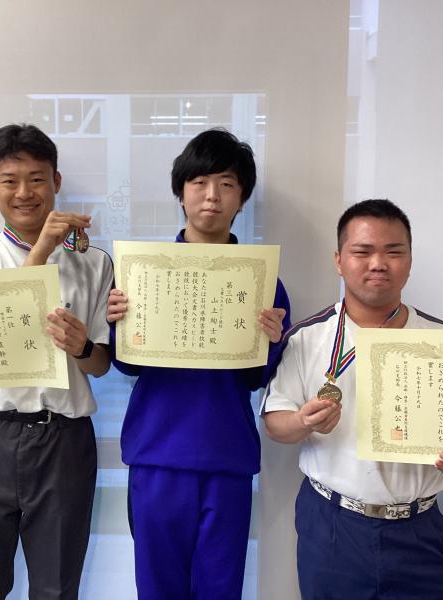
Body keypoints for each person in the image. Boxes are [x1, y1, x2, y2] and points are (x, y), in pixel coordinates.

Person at [262, 199, 443, 599]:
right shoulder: (307, 337)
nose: (378, 263)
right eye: (363, 252)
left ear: (410, 261)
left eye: (393, 252)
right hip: (332, 525)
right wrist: (302, 423)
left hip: (420, 528)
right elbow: (275, 423)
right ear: (339, 260)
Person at [107, 129, 291, 599]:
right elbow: (127, 367)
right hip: (157, 453)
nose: (212, 196)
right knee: (158, 587)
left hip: (225, 455)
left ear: (242, 199)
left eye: (227, 184)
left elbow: (257, 380)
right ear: (181, 192)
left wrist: (271, 343)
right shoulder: (141, 272)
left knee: (219, 588)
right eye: (200, 182)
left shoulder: (263, 281)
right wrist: (117, 323)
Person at [0, 123, 113, 600]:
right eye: (10, 180)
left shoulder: (96, 261)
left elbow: (101, 365)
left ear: (56, 181)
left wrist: (82, 348)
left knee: (56, 587)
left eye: (37, 179)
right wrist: (42, 250)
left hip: (64, 439)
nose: (24, 192)